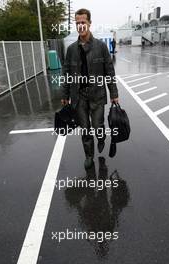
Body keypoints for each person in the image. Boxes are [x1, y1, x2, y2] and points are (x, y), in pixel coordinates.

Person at [61, 8, 119, 170]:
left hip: (97, 95)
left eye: (83, 22)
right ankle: (88, 156)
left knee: (98, 126)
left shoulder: (101, 47)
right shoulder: (71, 49)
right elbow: (66, 73)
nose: (80, 26)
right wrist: (65, 94)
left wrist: (114, 93)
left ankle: (101, 138)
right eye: (78, 23)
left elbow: (109, 71)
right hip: (79, 96)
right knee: (85, 128)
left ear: (89, 23)